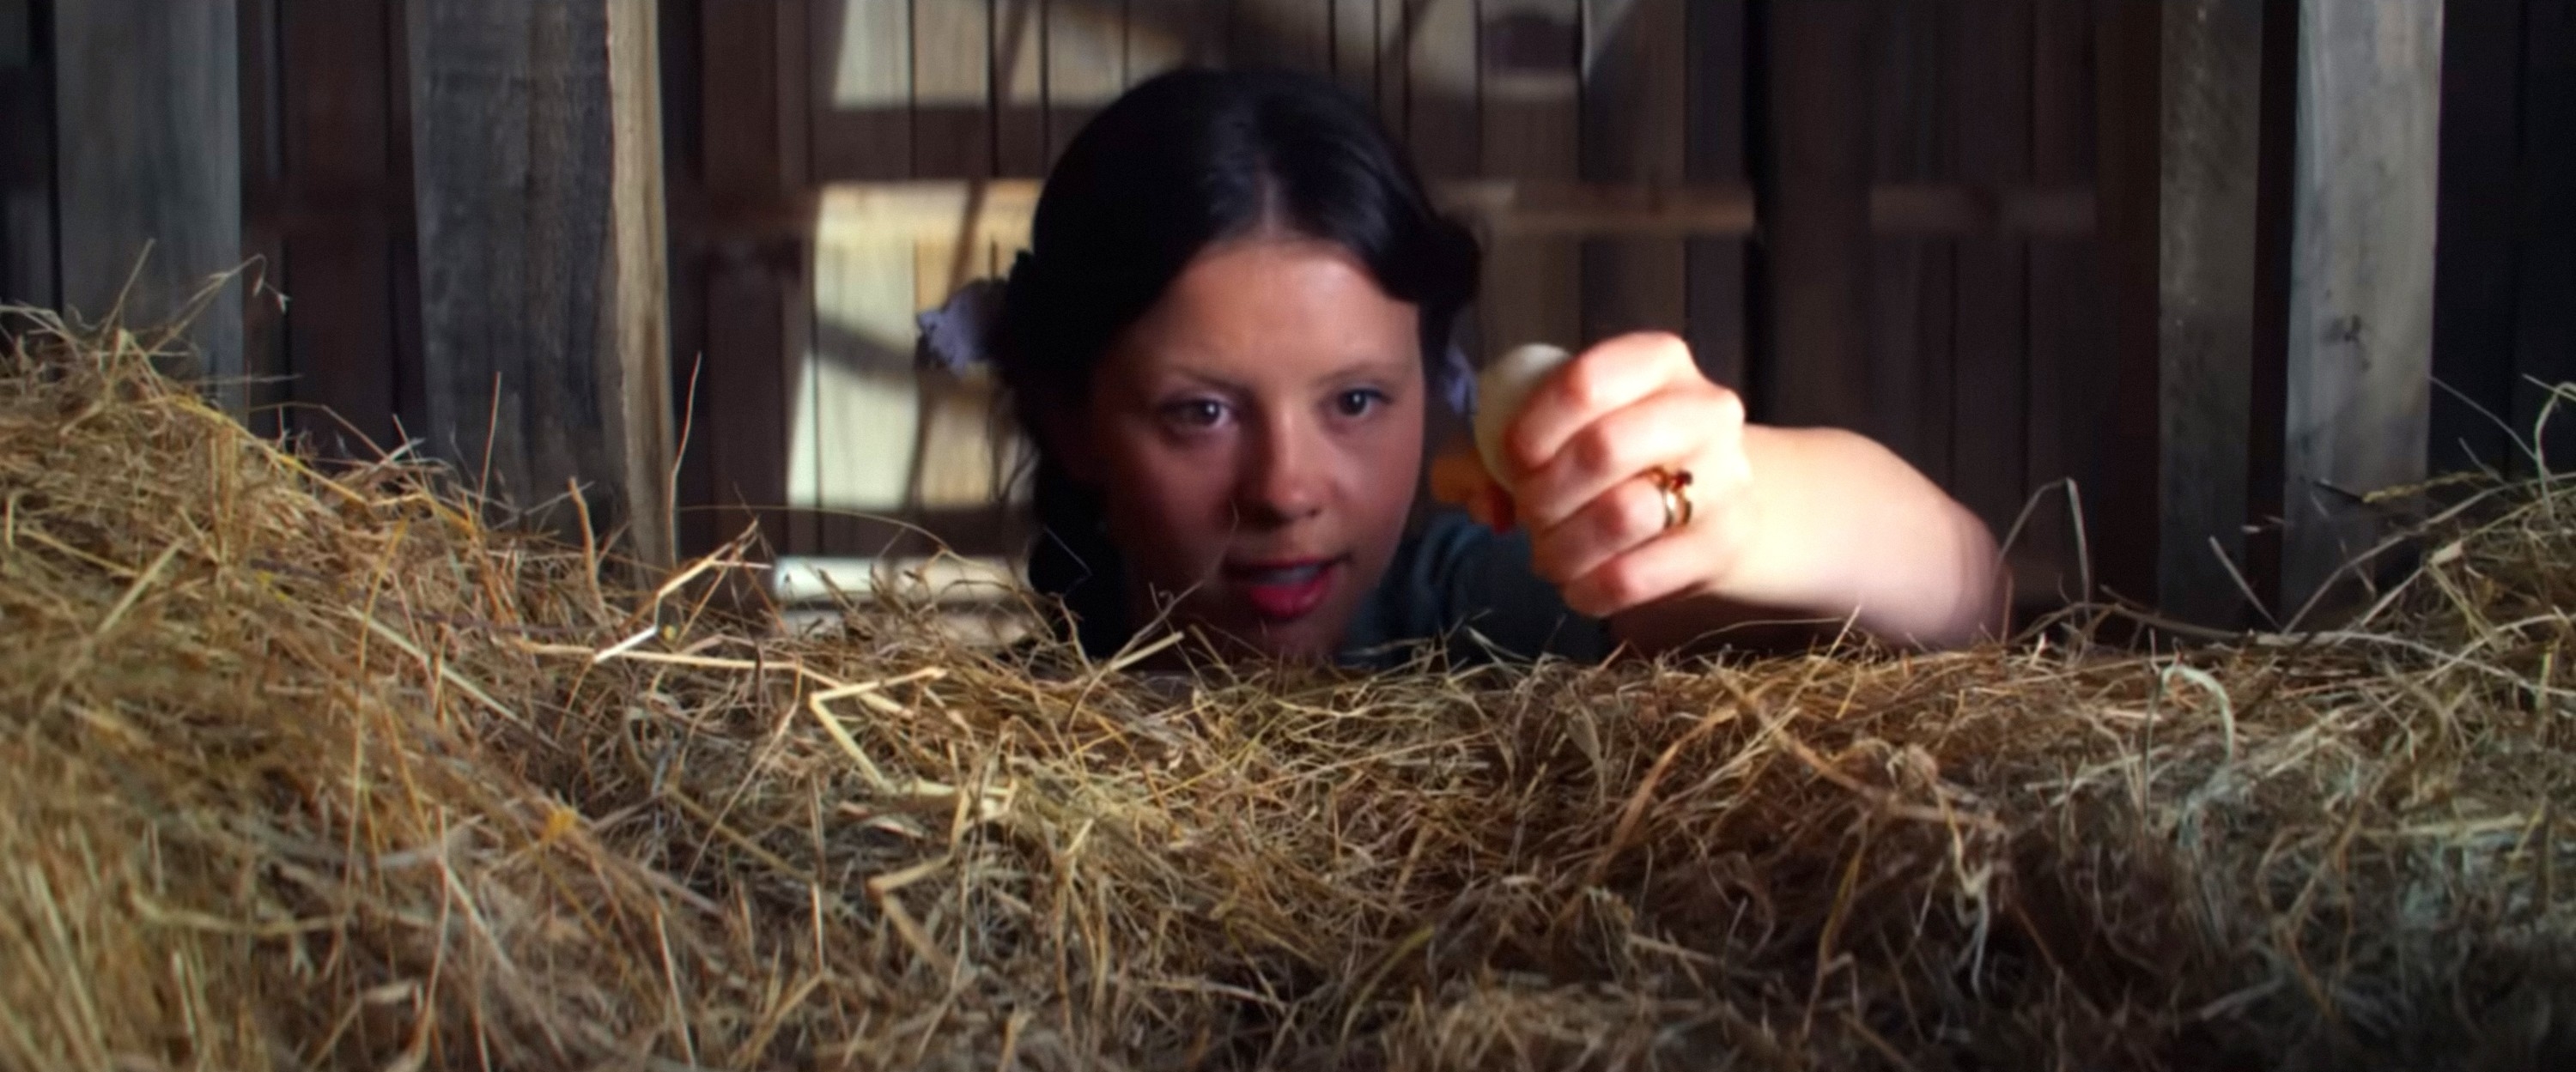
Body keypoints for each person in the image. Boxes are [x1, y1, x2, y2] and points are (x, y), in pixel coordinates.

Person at [920, 68, 2002, 667]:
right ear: (1072, 419)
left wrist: (1743, 509)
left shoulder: (1476, 614)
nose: (1287, 488)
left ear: (1431, 382)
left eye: (1355, 399)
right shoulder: (1009, 754)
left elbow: (1970, 597)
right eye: (1201, 411)